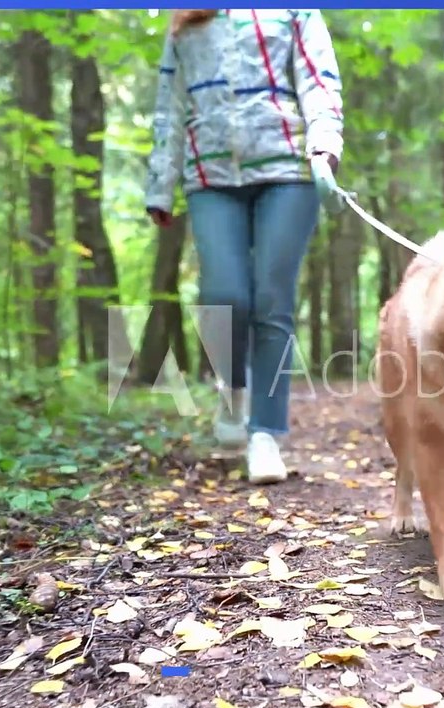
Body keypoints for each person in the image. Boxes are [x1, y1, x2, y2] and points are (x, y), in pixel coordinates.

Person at [144, 8, 345, 484]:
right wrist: (160, 183)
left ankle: (265, 435)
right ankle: (232, 389)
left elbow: (319, 78)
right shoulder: (184, 22)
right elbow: (169, 107)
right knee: (226, 295)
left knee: (273, 300)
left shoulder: (296, 12)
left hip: (288, 170)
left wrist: (324, 144)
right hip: (209, 176)